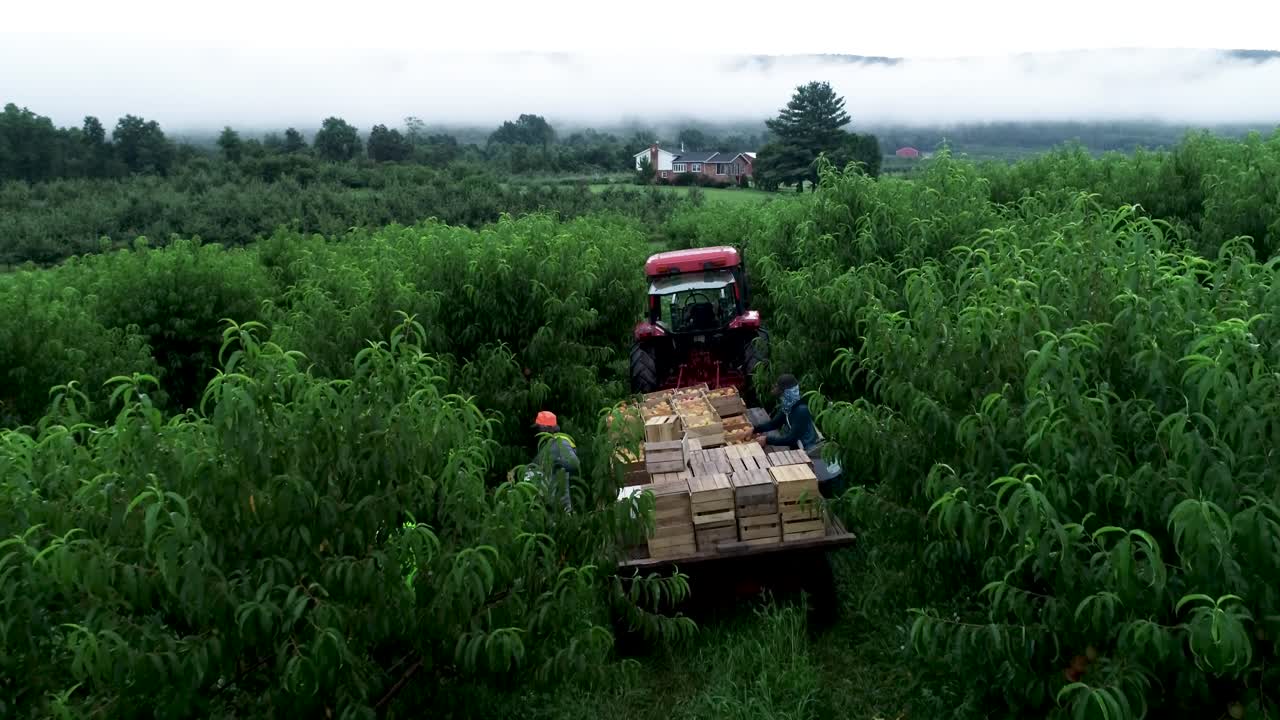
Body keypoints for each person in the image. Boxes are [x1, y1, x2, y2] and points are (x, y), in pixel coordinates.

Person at [526, 410, 580, 511]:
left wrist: (556, 463)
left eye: (538, 428)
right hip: (549, 506)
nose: (537, 433)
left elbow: (574, 463)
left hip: (557, 509)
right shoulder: (548, 445)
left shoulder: (560, 442)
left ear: (545, 429)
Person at [752, 374, 819, 450]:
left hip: (811, 450)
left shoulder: (801, 410)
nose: (781, 398)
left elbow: (791, 439)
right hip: (798, 449)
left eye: (781, 393)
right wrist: (753, 429)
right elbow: (774, 424)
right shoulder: (788, 407)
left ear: (787, 393)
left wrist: (767, 440)